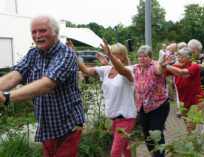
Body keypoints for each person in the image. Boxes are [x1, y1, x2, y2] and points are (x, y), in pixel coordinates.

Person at [0, 15, 85, 157]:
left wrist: (7, 97)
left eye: (42, 31)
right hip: (47, 127)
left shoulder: (66, 54)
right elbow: (13, 76)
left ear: (56, 33)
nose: (37, 36)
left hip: (69, 125)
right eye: (34, 32)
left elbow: (47, 83)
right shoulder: (33, 54)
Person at [105, 42, 173, 157]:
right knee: (147, 136)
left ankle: (160, 155)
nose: (142, 58)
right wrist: (108, 61)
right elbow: (121, 68)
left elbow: (159, 70)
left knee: (156, 134)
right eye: (140, 56)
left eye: (145, 56)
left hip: (159, 106)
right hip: (143, 107)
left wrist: (163, 65)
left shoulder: (154, 65)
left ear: (150, 57)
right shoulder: (135, 68)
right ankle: (154, 155)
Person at [77, 40, 137, 157]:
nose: (112, 56)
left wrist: (109, 55)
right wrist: (74, 55)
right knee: (125, 147)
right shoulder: (106, 70)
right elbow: (86, 71)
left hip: (126, 119)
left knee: (115, 152)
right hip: (115, 119)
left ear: (123, 56)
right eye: (111, 53)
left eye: (115, 54)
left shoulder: (129, 70)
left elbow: (121, 70)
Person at [164, 47, 204, 133]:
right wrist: (161, 63)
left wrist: (166, 66)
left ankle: (192, 145)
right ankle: (197, 142)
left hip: (196, 101)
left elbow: (182, 73)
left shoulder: (194, 66)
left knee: (190, 127)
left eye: (183, 56)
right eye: (179, 56)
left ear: (189, 58)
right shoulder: (175, 67)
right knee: (189, 126)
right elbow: (161, 72)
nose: (180, 59)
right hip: (184, 102)